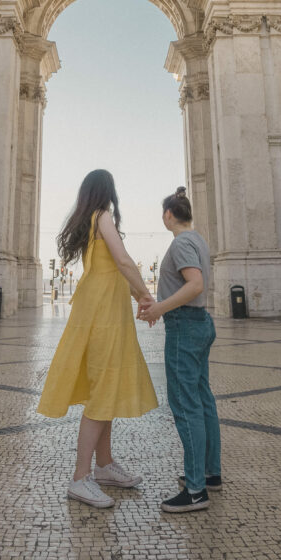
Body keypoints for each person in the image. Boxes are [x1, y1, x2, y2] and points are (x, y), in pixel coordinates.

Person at [37, 169, 158, 508]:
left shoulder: (91, 220)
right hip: (104, 317)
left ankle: (104, 466)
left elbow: (114, 269)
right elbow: (122, 260)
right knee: (103, 390)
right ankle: (80, 477)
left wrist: (138, 297)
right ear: (107, 191)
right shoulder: (102, 216)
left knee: (105, 389)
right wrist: (148, 294)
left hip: (105, 312)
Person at [138, 186, 221, 513]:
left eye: (163, 212)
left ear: (169, 214)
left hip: (185, 327)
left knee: (186, 405)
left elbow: (195, 284)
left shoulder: (182, 242)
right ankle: (210, 474)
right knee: (203, 401)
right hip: (199, 323)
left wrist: (159, 308)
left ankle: (196, 491)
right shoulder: (199, 239)